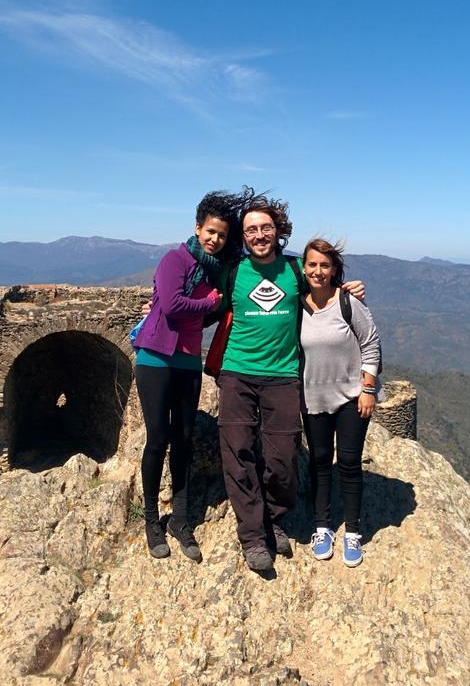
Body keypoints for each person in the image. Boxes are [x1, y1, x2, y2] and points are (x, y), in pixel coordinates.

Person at [213, 189, 364, 571]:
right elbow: (203, 304)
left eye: (266, 228)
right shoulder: (233, 271)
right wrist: (160, 306)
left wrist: (348, 290)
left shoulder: (296, 270)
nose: (259, 235)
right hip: (237, 373)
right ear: (242, 237)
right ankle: (252, 536)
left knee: (281, 459)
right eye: (251, 230)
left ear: (278, 231)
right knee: (238, 453)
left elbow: (325, 294)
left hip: (282, 376)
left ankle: (273, 519)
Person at [132, 190, 242, 561]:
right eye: (211, 231)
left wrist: (212, 306)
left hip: (188, 362)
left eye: (222, 235)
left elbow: (206, 315)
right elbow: (176, 305)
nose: (215, 239)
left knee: (183, 439)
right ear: (198, 228)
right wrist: (209, 302)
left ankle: (180, 520)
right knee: (157, 439)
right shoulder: (174, 259)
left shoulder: (214, 270)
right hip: (156, 358)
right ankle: (151, 520)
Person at [299, 238, 382, 567]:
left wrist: (368, 389)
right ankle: (322, 526)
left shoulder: (348, 302)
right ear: (303, 268)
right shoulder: (296, 305)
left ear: (334, 269)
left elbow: (371, 343)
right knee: (319, 462)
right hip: (312, 396)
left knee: (348, 463)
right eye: (312, 265)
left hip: (351, 397)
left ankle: (353, 532)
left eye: (325, 265)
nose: (318, 271)